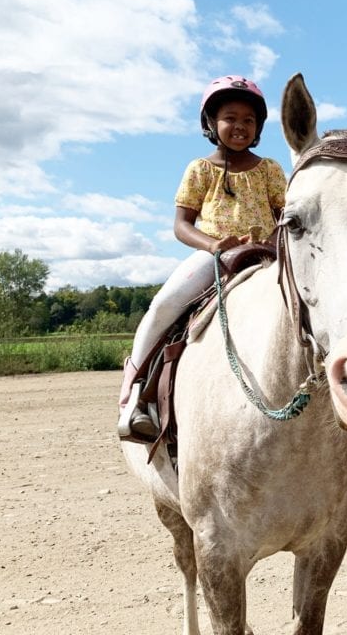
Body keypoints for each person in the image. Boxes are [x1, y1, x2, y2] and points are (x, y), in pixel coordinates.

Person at [117, 75, 287, 439]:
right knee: (164, 305)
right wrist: (213, 245)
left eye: (248, 120)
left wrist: (273, 241)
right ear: (210, 122)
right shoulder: (199, 169)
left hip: (266, 257)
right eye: (230, 117)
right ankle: (135, 397)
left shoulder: (270, 169)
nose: (240, 126)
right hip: (216, 258)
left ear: (258, 127)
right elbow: (181, 225)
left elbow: (286, 215)